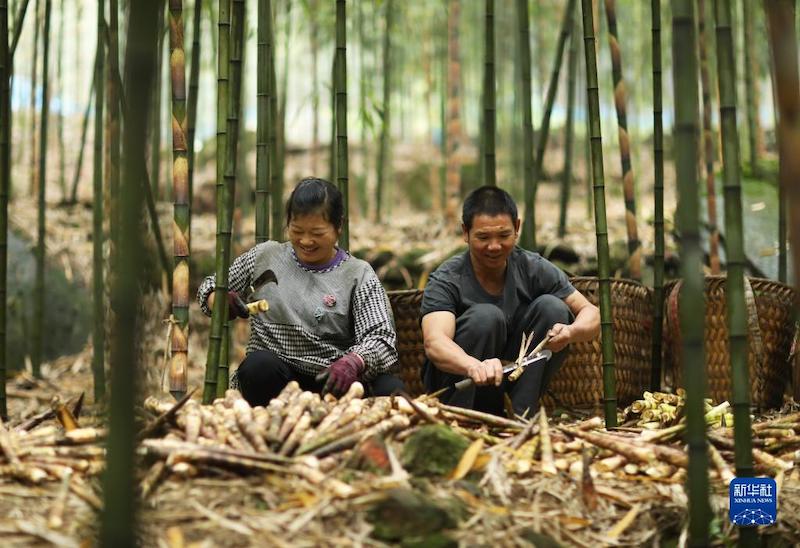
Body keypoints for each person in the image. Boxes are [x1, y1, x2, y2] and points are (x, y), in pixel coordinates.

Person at [198, 177, 404, 406]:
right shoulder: (265, 257)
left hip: (336, 382)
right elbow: (210, 287)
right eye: (297, 230)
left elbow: (382, 338)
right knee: (257, 367)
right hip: (277, 382)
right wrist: (219, 298)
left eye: (317, 233)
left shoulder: (359, 274)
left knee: (391, 390)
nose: (306, 241)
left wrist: (352, 362)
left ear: (339, 227)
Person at [421, 186, 600, 417]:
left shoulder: (532, 267)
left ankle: (520, 415)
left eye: (503, 235)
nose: (494, 246)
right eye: (483, 237)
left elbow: (591, 313)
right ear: (465, 232)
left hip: (511, 384)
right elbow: (434, 342)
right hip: (460, 387)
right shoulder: (447, 278)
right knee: (486, 317)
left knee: (553, 307)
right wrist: (473, 365)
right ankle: (460, 418)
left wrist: (571, 331)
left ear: (517, 228)